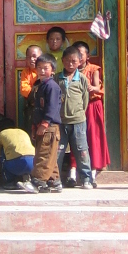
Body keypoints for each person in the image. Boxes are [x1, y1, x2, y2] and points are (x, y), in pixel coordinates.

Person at [67, 40, 111, 188]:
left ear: (87, 56)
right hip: (77, 107)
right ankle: (73, 173)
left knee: (93, 137)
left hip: (92, 106)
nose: (78, 58)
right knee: (76, 139)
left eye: (81, 54)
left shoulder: (93, 69)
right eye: (75, 55)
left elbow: (97, 87)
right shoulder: (70, 72)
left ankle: (92, 174)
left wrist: (91, 87)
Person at [56, 45, 93, 190]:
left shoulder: (82, 79)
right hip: (60, 121)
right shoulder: (57, 78)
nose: (70, 64)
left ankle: (86, 179)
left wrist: (79, 113)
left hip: (78, 121)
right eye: (67, 61)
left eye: (74, 61)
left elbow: (85, 99)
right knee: (58, 151)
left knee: (81, 150)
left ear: (79, 62)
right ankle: (56, 179)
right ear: (62, 61)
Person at [29, 53, 62, 192]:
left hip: (49, 127)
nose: (42, 71)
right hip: (41, 125)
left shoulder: (52, 86)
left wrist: (45, 123)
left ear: (52, 70)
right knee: (49, 154)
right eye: (39, 67)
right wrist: (35, 125)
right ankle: (54, 181)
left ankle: (38, 182)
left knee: (44, 154)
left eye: (45, 68)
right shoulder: (40, 86)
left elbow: (52, 108)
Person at [0, 118, 37, 192]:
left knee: (3, 152)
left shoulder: (1, 134)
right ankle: (26, 177)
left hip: (16, 165)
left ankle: (9, 182)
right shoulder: (22, 132)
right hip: (34, 164)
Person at [19, 44, 42, 127]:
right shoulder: (26, 72)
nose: (32, 59)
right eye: (29, 57)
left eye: (34, 56)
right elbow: (24, 90)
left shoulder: (45, 71)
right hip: (31, 106)